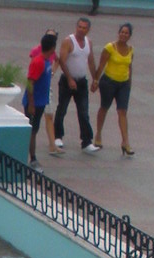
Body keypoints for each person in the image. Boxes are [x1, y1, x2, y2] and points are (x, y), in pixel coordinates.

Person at [54, 18, 100, 153]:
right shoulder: (68, 41)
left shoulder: (88, 42)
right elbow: (62, 61)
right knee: (62, 108)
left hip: (81, 81)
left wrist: (95, 79)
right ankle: (58, 136)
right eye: (79, 26)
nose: (81, 29)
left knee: (84, 111)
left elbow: (91, 61)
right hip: (67, 81)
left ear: (88, 29)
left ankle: (86, 141)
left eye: (84, 27)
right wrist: (69, 79)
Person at [91, 23, 134, 156]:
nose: (123, 35)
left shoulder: (131, 50)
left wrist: (129, 83)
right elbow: (102, 64)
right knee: (104, 107)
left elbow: (130, 67)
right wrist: (96, 80)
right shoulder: (110, 47)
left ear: (130, 36)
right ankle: (98, 135)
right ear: (118, 33)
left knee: (122, 111)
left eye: (126, 33)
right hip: (109, 82)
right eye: (122, 32)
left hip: (124, 83)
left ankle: (125, 142)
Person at [23, 31, 58, 170]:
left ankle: (31, 157)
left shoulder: (47, 61)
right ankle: (32, 159)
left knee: (34, 129)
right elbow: (30, 83)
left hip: (41, 102)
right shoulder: (38, 62)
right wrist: (31, 104)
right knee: (31, 130)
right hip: (35, 103)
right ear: (52, 48)